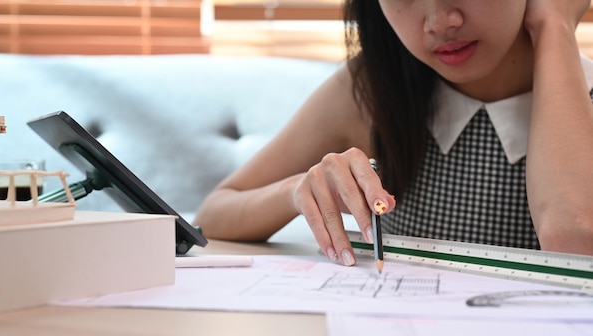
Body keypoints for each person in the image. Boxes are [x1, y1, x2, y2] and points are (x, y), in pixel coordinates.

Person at [194, 0, 593, 265]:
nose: (440, 23)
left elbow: (575, 242)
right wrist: (299, 190)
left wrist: (553, 25)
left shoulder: (584, 101)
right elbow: (214, 215)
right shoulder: (372, 89)